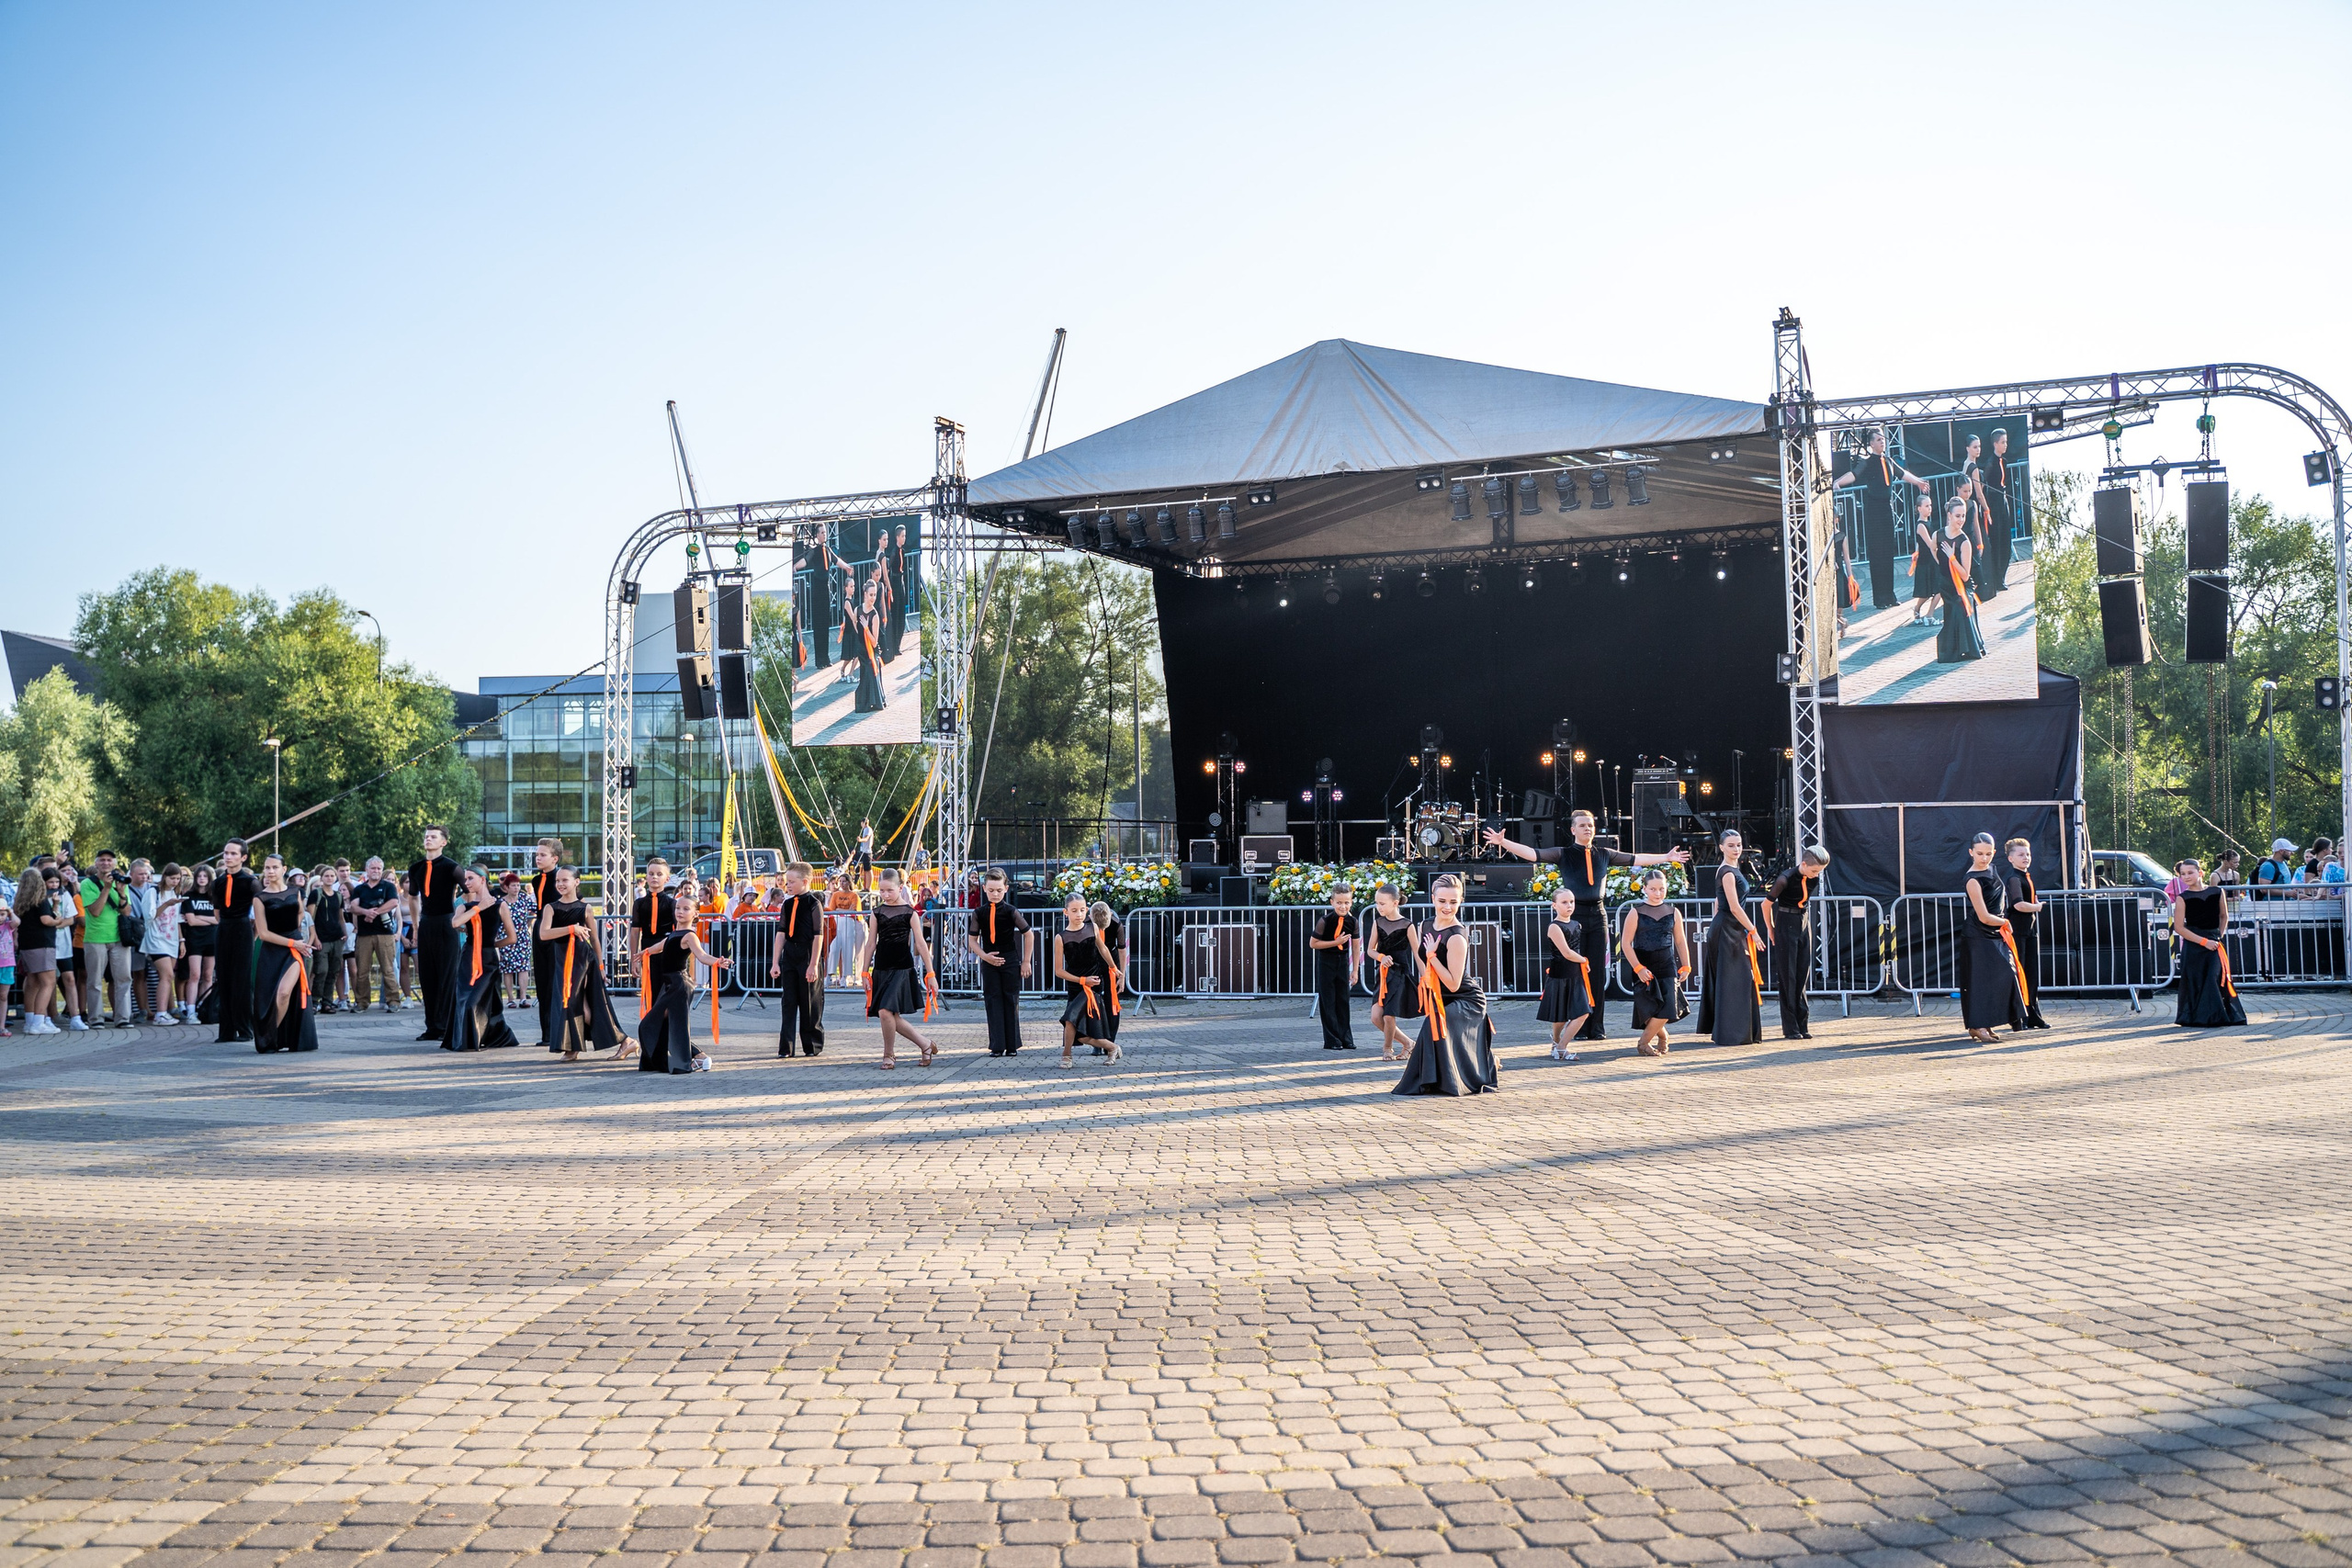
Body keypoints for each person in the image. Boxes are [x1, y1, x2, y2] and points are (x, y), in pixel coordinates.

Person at [1485, 812, 1689, 1042]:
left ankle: (1597, 1027)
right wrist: (1504, 842)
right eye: (1582, 825)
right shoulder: (1564, 853)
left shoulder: (1604, 854)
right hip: (1575, 916)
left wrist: (1667, 856)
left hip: (1598, 915)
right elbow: (1533, 854)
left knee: (1598, 973)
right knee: (1578, 972)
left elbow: (1635, 858)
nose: (1587, 829)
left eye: (1590, 825)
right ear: (1573, 830)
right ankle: (1579, 1027)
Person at [1391, 874, 1498, 1096]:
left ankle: (1459, 1076)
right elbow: (1423, 961)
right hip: (1440, 994)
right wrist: (1426, 982)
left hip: (1466, 999)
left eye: (1453, 902)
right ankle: (1443, 1078)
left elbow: (1453, 984)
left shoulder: (1457, 936)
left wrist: (1432, 957)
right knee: (1434, 1025)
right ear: (1433, 898)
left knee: (1433, 1024)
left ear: (1461, 901)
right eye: (1442, 901)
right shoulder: (1425, 925)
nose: (1447, 907)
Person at [629, 857, 727, 1074]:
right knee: (664, 1022)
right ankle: (679, 1059)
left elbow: (701, 955)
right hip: (667, 980)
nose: (680, 912)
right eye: (678, 908)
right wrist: (640, 954)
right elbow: (657, 945)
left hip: (678, 982)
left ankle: (691, 1059)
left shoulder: (688, 932)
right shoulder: (671, 930)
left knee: (665, 1023)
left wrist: (717, 961)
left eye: (685, 909)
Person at [1831, 425, 1932, 610]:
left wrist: (1918, 482)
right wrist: (1838, 482)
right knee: (1877, 554)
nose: (1882, 442)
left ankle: (1890, 595)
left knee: (1888, 554)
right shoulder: (1868, 462)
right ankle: (1880, 598)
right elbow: (1853, 475)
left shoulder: (1889, 460)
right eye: (1878, 440)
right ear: (1871, 444)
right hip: (1874, 511)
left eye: (1883, 439)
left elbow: (1903, 474)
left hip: (1887, 509)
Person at [537, 865, 631, 1060]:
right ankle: (578, 1046)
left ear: (576, 882)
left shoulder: (585, 908)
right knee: (573, 1003)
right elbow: (544, 934)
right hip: (562, 959)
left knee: (572, 1002)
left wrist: (601, 967)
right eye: (558, 881)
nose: (560, 884)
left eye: (565, 880)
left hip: (581, 959)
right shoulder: (551, 907)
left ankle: (619, 1040)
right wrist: (571, 929)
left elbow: (595, 939)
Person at [1693, 829, 1765, 1048]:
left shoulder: (1732, 869)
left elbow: (1718, 902)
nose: (1736, 849)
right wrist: (1753, 930)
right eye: (1731, 845)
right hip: (1727, 929)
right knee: (1733, 980)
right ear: (1721, 847)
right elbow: (1734, 907)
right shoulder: (1726, 872)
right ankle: (1732, 1034)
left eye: (1739, 845)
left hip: (1728, 928)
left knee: (1737, 979)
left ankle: (1737, 1032)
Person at [864, 867, 939, 1068]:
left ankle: (889, 1054)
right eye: (882, 890)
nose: (885, 895)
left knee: (885, 1011)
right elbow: (870, 944)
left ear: (900, 887)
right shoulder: (877, 913)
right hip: (881, 968)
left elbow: (921, 944)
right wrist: (864, 972)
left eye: (890, 890)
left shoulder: (909, 912)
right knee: (890, 1015)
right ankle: (925, 1044)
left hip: (902, 968)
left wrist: (931, 974)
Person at [444, 865, 522, 1052]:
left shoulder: (500, 905)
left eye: (470, 878)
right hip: (468, 958)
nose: (466, 882)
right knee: (465, 1000)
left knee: (477, 1001)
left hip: (488, 959)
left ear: (482, 879)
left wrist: (491, 944)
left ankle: (485, 1035)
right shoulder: (465, 906)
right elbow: (455, 923)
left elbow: (512, 937)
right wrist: (479, 908)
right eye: (465, 879)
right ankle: (468, 1038)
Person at [1960, 832, 2028, 1043]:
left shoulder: (1992, 869)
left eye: (1988, 854)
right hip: (1979, 934)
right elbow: (1983, 916)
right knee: (1981, 981)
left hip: (1995, 931)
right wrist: (2005, 922)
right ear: (1971, 852)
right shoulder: (1972, 880)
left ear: (1994, 852)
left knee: (2004, 975)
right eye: (1980, 853)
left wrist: (2001, 922)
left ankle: (1985, 1024)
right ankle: (1978, 1026)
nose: (1984, 858)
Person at [249, 853, 320, 1054]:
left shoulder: (295, 892)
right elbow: (263, 934)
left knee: (284, 992)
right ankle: (270, 1039)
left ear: (283, 869)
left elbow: (301, 913)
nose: (270, 871)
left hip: (294, 951)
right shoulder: (259, 898)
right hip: (271, 951)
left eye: (274, 867)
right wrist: (292, 941)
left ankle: (272, 1037)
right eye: (267, 868)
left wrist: (294, 936)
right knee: (269, 996)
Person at [1621, 868, 1690, 1058]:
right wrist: (1638, 968)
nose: (1658, 893)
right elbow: (1626, 943)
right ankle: (1663, 1037)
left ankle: (1643, 1043)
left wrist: (1686, 965)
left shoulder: (1673, 912)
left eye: (1662, 889)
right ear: (1644, 889)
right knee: (1649, 1008)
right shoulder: (1636, 912)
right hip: (1643, 964)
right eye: (1653, 889)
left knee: (1669, 1006)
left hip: (1667, 964)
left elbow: (1680, 941)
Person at [2171, 858, 2246, 1028]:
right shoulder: (2183, 898)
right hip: (2194, 944)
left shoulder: (2217, 892)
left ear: (2200, 873)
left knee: (2214, 977)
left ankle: (2217, 1017)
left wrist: (2218, 937)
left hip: (2214, 943)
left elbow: (2224, 916)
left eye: (2190, 873)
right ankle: (2199, 1018)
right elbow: (2179, 927)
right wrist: (2204, 942)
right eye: (2183, 874)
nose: (2186, 877)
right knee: (2196, 980)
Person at [406, 827, 465, 1041]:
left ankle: (446, 1026)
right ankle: (432, 1027)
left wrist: (461, 918)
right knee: (427, 976)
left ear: (444, 842)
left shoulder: (452, 867)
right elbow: (413, 897)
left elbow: (470, 892)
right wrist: (415, 925)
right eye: (426, 837)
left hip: (447, 923)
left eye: (433, 837)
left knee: (447, 976)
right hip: (426, 923)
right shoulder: (416, 868)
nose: (428, 839)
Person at [766, 860, 829, 1058]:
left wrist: (813, 965)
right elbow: (781, 933)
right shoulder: (787, 904)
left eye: (792, 881)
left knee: (810, 1000)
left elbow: (818, 936)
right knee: (788, 1002)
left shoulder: (814, 904)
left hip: (808, 954)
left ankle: (812, 1045)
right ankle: (786, 1047)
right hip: (790, 956)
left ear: (805, 881)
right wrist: (775, 962)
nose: (788, 885)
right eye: (787, 881)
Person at [1763, 848, 1827, 1040]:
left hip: (1803, 922)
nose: (1816, 875)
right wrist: (1771, 929)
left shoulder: (1813, 878)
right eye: (1814, 870)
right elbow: (1766, 904)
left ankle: (1802, 1025)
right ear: (1804, 864)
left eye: (1819, 871)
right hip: (1785, 922)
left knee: (1802, 974)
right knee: (1788, 977)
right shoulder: (1785, 879)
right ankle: (1790, 1028)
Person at [967, 868, 1030, 1056]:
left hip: (1010, 960)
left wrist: (1026, 961)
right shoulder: (979, 913)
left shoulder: (1011, 911)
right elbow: (972, 940)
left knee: (1011, 1000)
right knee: (992, 1000)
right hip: (989, 962)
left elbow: (1029, 934)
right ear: (984, 888)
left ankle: (1012, 1045)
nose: (995, 894)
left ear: (1006, 889)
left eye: (999, 890)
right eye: (991, 890)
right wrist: (985, 956)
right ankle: (996, 1045)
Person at [1051, 892, 1118, 1068]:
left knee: (1069, 1019)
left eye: (1082, 910)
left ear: (1087, 910)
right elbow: (1059, 971)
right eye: (1074, 910)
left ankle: (1066, 1056)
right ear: (1066, 912)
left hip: (1093, 983)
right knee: (1080, 1034)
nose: (1079, 914)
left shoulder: (1092, 928)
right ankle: (1112, 1047)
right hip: (1076, 985)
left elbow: (1103, 949)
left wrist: (1113, 967)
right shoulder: (1061, 937)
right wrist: (1082, 980)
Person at [1363, 882, 1420, 1063]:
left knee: (1389, 1015)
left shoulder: (1407, 925)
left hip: (1400, 974)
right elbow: (1370, 950)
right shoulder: (1378, 922)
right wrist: (1381, 957)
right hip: (1383, 975)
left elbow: (1418, 953)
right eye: (1377, 903)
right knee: (1376, 1017)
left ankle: (1387, 1049)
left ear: (1395, 903)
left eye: (1382, 903)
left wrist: (1425, 976)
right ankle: (1408, 1043)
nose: (1378, 907)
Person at [1534, 886, 1593, 1062]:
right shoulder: (1554, 927)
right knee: (1560, 1014)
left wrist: (1581, 963)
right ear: (1554, 905)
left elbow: (1574, 950)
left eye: (1572, 902)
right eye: (1564, 902)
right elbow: (1566, 952)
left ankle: (1560, 1046)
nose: (1569, 905)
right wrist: (1583, 960)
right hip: (1560, 974)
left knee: (1583, 1012)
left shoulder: (1577, 924)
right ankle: (1557, 1043)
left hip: (1575, 974)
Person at [2000, 840, 2052, 1031]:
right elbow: (2018, 904)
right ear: (2010, 858)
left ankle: (2033, 1015)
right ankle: (2018, 1016)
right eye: (2021, 855)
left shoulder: (2025, 876)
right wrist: (2037, 907)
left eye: (2028, 854)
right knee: (2019, 973)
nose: (2026, 858)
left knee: (2031, 973)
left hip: (2030, 931)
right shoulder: (2014, 878)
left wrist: (2034, 907)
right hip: (2018, 932)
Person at [78, 850, 133, 1027]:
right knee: (95, 981)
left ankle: (123, 1018)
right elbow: (95, 911)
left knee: (123, 979)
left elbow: (126, 912)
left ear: (114, 864)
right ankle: (96, 1019)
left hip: (119, 938)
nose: (106, 863)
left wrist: (121, 892)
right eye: (102, 860)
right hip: (95, 938)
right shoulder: (87, 884)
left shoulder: (121, 882)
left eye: (109, 860)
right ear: (96, 863)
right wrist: (107, 888)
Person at [213, 840, 259, 1043]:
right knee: (223, 978)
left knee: (241, 981)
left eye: (233, 854)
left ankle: (245, 1029)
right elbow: (217, 912)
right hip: (224, 929)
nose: (228, 857)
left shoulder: (251, 882)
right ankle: (226, 1031)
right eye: (226, 853)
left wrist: (254, 933)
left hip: (242, 929)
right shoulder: (218, 882)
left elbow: (260, 911)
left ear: (243, 857)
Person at [1932, 495, 1986, 664]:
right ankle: (1952, 648)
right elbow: (1934, 553)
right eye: (1958, 516)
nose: (1961, 520)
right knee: (1951, 612)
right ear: (1949, 515)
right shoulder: (1938, 535)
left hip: (1962, 588)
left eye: (1963, 516)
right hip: (1946, 585)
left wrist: (1952, 558)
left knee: (1958, 606)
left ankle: (1968, 648)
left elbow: (1965, 575)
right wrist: (1944, 567)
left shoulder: (1964, 542)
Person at [130, 859, 183, 1025]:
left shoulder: (175, 894)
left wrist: (182, 940)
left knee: (167, 976)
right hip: (155, 939)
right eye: (172, 878)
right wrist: (166, 904)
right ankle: (160, 1014)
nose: (175, 882)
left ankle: (164, 1012)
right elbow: (150, 916)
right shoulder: (153, 893)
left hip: (171, 940)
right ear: (165, 877)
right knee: (167, 975)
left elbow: (177, 920)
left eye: (178, 878)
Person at [349, 858, 402, 1011]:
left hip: (385, 933)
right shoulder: (360, 889)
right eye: (373, 868)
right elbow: (353, 907)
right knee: (362, 970)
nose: (376, 871)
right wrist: (366, 912)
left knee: (388, 969)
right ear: (367, 869)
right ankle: (361, 1002)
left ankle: (393, 1001)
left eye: (379, 868)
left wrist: (374, 913)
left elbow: (393, 902)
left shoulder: (388, 886)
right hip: (364, 934)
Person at [13, 869, 61, 1034]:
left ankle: (30, 1020)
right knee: (48, 982)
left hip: (27, 945)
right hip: (42, 944)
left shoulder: (20, 902)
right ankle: (39, 1022)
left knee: (32, 983)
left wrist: (54, 906)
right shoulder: (40, 900)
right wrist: (58, 921)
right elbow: (46, 920)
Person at [307, 861, 351, 1014]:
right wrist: (315, 939)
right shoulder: (316, 894)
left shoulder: (338, 895)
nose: (330, 878)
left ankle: (327, 1001)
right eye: (327, 876)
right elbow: (310, 918)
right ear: (322, 878)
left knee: (334, 971)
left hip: (336, 938)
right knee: (321, 970)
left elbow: (340, 917)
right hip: (321, 938)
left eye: (332, 876)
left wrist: (344, 933)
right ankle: (314, 1002)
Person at [1979, 428, 2015, 596]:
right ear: (1995, 444)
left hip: (2003, 501)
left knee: (2006, 539)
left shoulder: (2003, 461)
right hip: (1994, 503)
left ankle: (2002, 576)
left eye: (2006, 442)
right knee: (1997, 540)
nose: (2005, 445)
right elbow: (1983, 484)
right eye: (2002, 442)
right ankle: (1997, 578)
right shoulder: (1990, 463)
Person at [1089, 901, 1127, 1055]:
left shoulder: (1116, 924)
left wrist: (1122, 975)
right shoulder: (1087, 923)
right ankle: (1097, 1042)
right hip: (1093, 960)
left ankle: (1110, 1041)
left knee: (1112, 1002)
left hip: (1112, 961)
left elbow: (1122, 950)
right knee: (1094, 1000)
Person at [183, 864, 217, 1021]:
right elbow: (191, 921)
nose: (202, 879)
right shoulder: (189, 896)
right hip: (195, 940)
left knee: (208, 975)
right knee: (195, 975)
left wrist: (200, 917)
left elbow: (219, 919)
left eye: (205, 876)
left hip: (212, 939)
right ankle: (191, 1011)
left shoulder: (215, 896)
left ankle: (205, 1008)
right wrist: (210, 920)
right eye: (199, 876)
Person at [496, 872, 534, 1009]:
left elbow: (535, 909)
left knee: (524, 967)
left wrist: (529, 923)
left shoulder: (524, 898)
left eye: (518, 885)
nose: (516, 888)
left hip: (522, 938)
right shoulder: (501, 902)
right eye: (513, 886)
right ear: (506, 887)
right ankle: (510, 998)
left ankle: (523, 997)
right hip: (506, 938)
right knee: (508, 969)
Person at [825, 872, 864, 987]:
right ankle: (829, 975)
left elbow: (854, 911)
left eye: (844, 881)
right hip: (837, 922)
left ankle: (845, 976)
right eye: (840, 881)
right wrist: (843, 910)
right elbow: (832, 909)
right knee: (834, 949)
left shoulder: (854, 896)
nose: (842, 884)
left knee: (848, 950)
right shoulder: (835, 895)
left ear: (849, 882)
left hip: (850, 922)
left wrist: (840, 910)